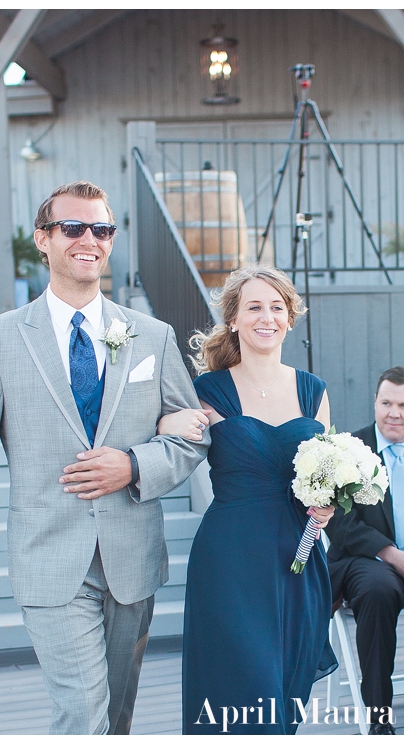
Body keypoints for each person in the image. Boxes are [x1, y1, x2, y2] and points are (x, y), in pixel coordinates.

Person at [0, 180, 209, 735]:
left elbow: (191, 437)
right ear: (44, 239)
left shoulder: (151, 336)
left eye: (102, 229)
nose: (90, 239)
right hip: (50, 558)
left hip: (131, 558)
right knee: (81, 715)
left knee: (117, 715)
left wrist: (133, 465)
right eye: (74, 228)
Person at [159, 266, 337, 734]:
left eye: (277, 307)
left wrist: (330, 504)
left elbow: (327, 472)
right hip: (232, 562)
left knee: (285, 691)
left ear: (290, 319)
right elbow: (166, 439)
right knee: (244, 690)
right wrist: (165, 425)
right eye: (254, 307)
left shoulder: (313, 391)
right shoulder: (208, 391)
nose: (266, 317)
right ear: (233, 320)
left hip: (298, 561)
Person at [324, 366, 403, 735]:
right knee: (378, 589)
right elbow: (340, 524)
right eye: (386, 402)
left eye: (405, 404)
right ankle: (379, 716)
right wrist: (394, 555)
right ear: (374, 402)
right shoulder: (350, 450)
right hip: (365, 562)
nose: (395, 413)